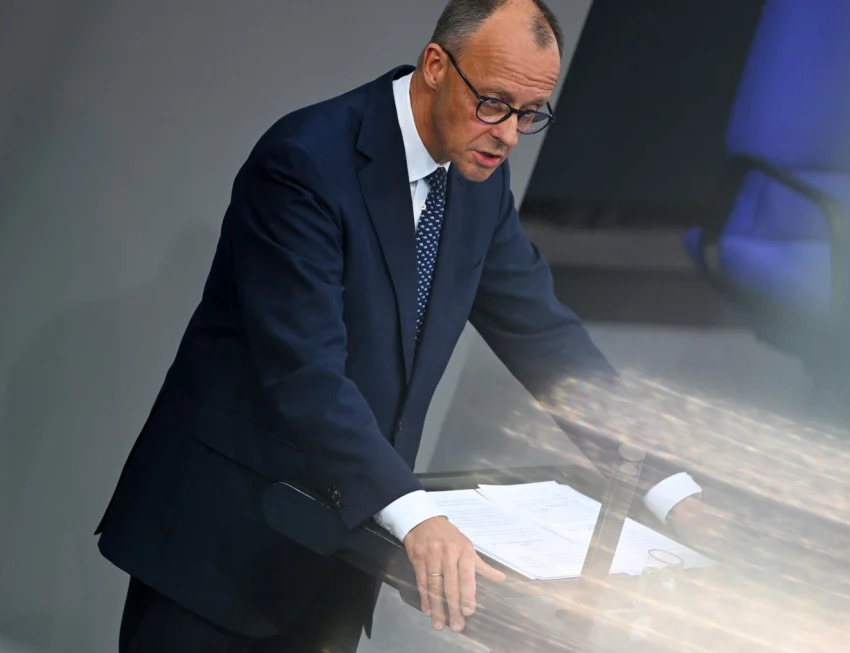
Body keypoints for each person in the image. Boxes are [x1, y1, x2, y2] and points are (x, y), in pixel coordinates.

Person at [94, 1, 712, 651]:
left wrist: (666, 485)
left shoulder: (477, 182)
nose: (507, 134)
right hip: (222, 542)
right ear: (437, 66)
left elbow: (546, 338)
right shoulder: (303, 163)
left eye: (530, 113)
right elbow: (306, 371)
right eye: (495, 103)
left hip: (338, 555)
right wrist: (417, 515)